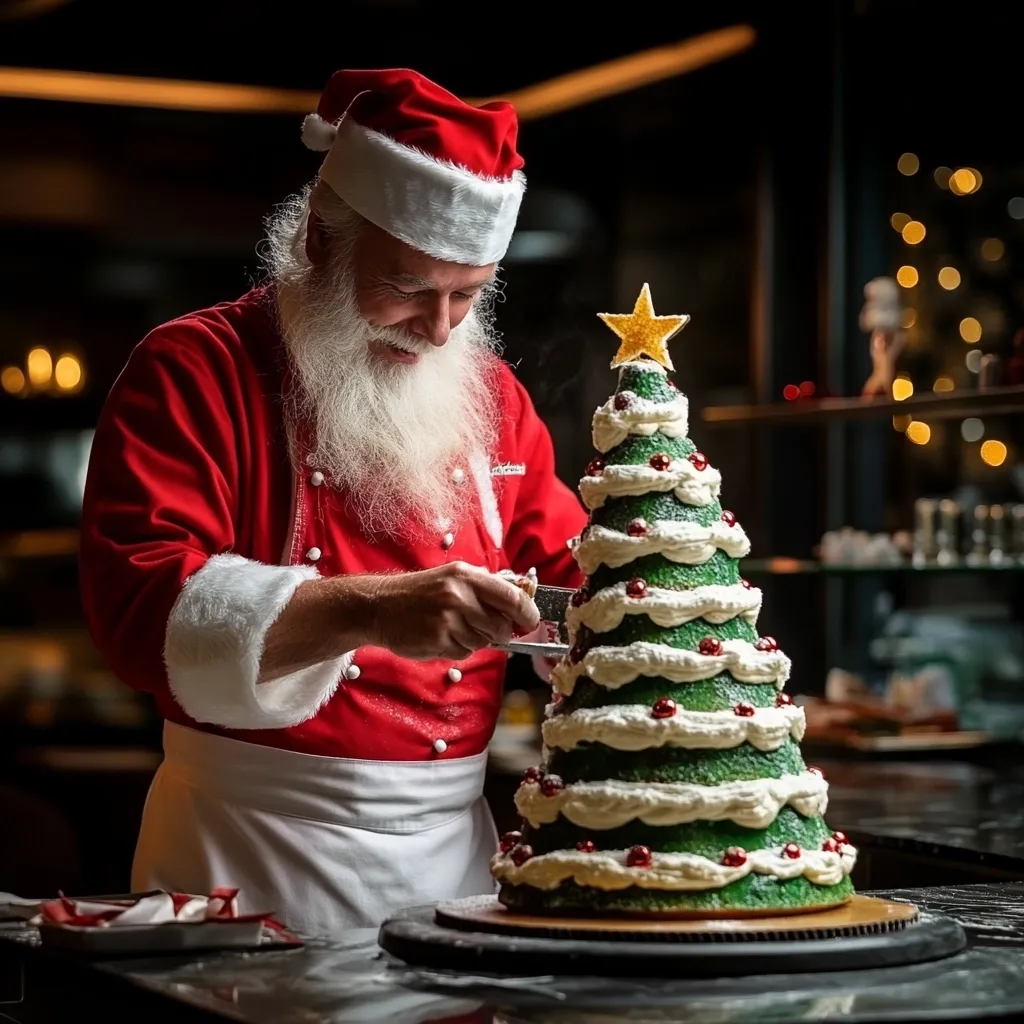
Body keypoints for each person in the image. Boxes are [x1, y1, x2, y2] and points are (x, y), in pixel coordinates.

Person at [78, 67, 588, 936]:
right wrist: (370, 610)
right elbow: (138, 610)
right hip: (249, 847)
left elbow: (573, 569)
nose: (435, 331)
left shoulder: (492, 396)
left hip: (458, 866)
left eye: (467, 296)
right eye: (409, 288)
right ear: (320, 237)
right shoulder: (192, 368)